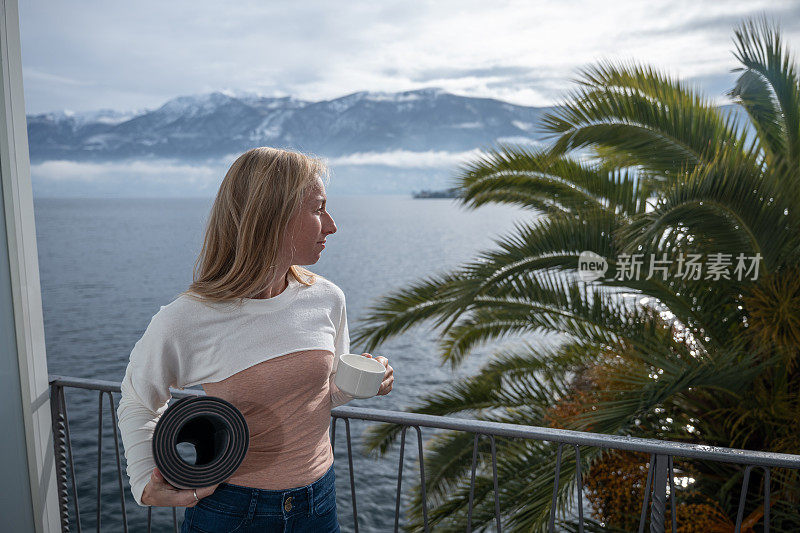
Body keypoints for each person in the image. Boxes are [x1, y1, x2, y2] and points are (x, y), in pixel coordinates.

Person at [116, 147, 394, 532]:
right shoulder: (188, 318)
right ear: (272, 217)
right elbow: (137, 397)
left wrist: (366, 382)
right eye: (318, 209)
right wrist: (144, 478)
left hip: (319, 500)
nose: (332, 225)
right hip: (231, 510)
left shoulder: (328, 298)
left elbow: (321, 395)